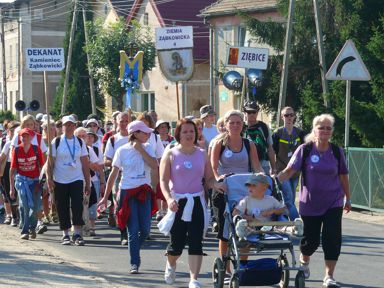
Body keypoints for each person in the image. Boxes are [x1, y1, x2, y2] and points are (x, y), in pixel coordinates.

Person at [277, 114, 351, 288]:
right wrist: (272, 181)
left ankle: (329, 276)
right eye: (321, 127)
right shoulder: (305, 149)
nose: (325, 130)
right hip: (310, 203)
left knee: (332, 238)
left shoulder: (336, 151)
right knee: (310, 241)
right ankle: (304, 260)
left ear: (331, 132)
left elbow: (343, 175)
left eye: (328, 128)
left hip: (334, 201)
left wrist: (348, 197)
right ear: (314, 130)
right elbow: (289, 171)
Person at [158, 118, 225, 288]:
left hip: (197, 201)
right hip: (178, 202)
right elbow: (164, 181)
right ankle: (171, 263)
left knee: (196, 241)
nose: (189, 134)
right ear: (178, 134)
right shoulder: (171, 153)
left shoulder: (202, 153)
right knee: (177, 245)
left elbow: (209, 178)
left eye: (192, 131)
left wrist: (216, 184)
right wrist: (169, 199)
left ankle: (193, 279)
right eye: (185, 131)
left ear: (196, 134)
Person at [98, 120, 158, 274]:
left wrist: (141, 150)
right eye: (144, 132)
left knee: (145, 229)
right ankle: (135, 263)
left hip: (144, 191)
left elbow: (154, 165)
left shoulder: (148, 147)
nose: (148, 134)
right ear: (135, 134)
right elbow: (113, 174)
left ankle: (135, 249)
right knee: (133, 230)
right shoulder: (122, 150)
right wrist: (105, 198)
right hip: (127, 192)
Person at [210, 110, 263, 280]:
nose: (234, 125)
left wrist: (264, 176)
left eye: (238, 122)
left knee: (246, 227)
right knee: (226, 230)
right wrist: (219, 180)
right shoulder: (220, 143)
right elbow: (213, 168)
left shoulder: (249, 144)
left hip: (244, 189)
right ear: (225, 125)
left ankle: (243, 265)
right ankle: (225, 268)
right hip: (224, 188)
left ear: (242, 125)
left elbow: (256, 166)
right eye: (231, 122)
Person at [46, 115, 91, 246]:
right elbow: (50, 162)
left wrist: (87, 183)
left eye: (71, 124)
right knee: (62, 206)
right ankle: (65, 234)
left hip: (76, 178)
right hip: (60, 179)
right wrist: (49, 178)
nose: (69, 127)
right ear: (62, 127)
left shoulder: (80, 142)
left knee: (77, 205)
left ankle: (77, 233)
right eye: (66, 125)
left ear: (75, 126)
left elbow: (85, 163)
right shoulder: (56, 142)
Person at [10, 128, 45, 240]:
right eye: (23, 136)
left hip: (34, 182)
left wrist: (44, 183)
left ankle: (32, 227)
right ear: (20, 138)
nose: (25, 138)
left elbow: (42, 167)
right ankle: (25, 230)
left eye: (27, 136)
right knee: (25, 206)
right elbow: (12, 170)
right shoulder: (16, 150)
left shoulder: (36, 149)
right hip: (21, 182)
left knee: (34, 207)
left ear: (31, 137)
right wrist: (11, 188)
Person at [272, 107, 305, 220]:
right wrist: (273, 169)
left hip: (295, 171)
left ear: (294, 116)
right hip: (282, 171)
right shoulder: (278, 133)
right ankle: (297, 221)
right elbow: (272, 151)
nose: (289, 117)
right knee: (288, 197)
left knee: (291, 198)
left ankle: (285, 219)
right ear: (282, 117)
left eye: (291, 115)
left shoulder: (300, 133)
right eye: (286, 115)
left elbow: (305, 151)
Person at [104, 111, 130, 244]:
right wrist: (118, 163)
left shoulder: (136, 137)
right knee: (119, 204)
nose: (124, 124)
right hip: (118, 176)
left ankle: (135, 231)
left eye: (127, 121)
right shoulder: (113, 140)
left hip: (134, 176)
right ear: (116, 122)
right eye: (122, 121)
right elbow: (106, 160)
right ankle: (123, 233)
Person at [243, 101, 276, 174]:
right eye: (249, 112)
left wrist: (273, 168)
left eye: (254, 112)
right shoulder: (239, 127)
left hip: (263, 164)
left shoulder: (264, 127)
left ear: (257, 112)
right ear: (244, 113)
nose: (251, 114)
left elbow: (270, 148)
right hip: (245, 165)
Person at [0, 121, 20, 226]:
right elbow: (2, 158)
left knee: (20, 193)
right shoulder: (7, 143)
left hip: (21, 167)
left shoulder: (24, 140)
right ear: (8, 131)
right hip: (8, 167)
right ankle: (14, 216)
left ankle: (19, 215)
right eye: (12, 131)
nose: (14, 133)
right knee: (9, 193)